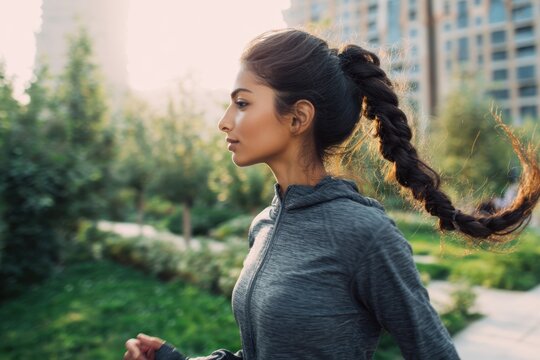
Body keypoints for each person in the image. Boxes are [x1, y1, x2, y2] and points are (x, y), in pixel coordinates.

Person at [123, 28, 540, 360]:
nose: (225, 121)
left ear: (299, 117)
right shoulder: (265, 224)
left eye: (242, 103)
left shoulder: (363, 233)